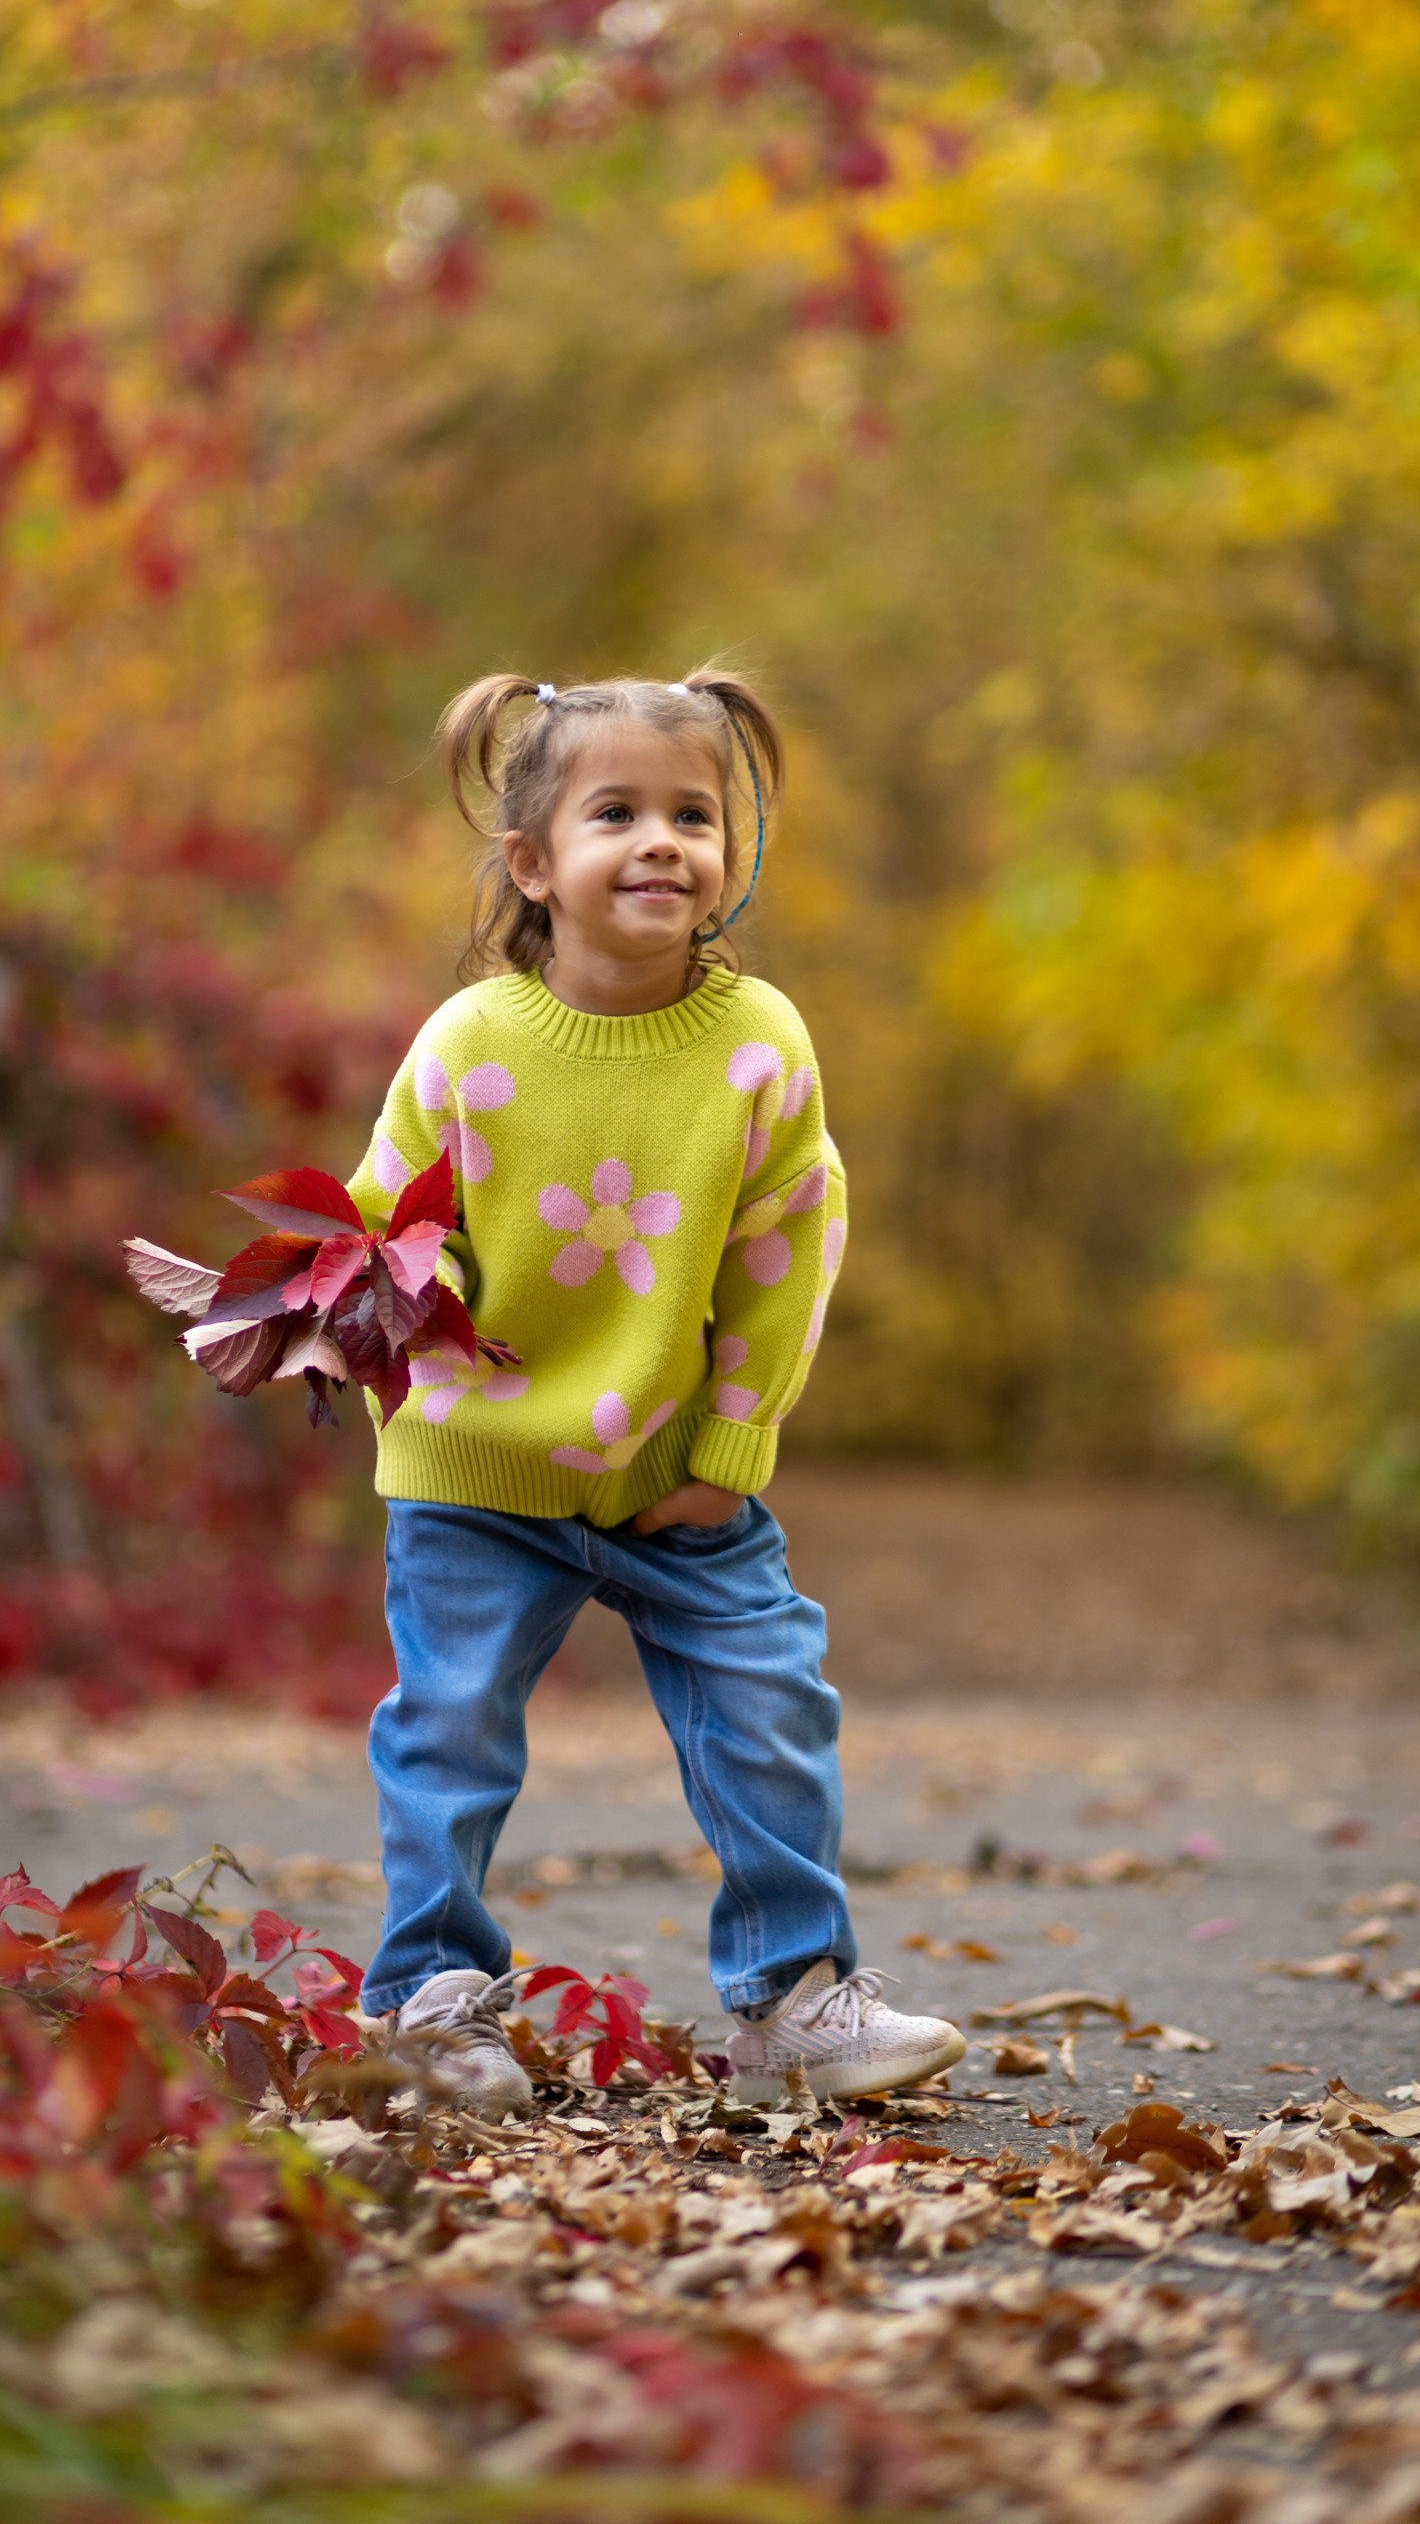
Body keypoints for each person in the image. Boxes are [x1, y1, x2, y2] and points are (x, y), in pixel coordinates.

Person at [348, 669, 965, 2117]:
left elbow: (787, 1247)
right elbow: (390, 1233)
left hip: (674, 1478)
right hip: (476, 1469)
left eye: (694, 815)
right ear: (533, 863)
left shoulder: (759, 1044)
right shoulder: (469, 1045)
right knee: (448, 1726)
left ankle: (793, 2001)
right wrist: (397, 1370)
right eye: (615, 812)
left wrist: (731, 1446)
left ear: (732, 851)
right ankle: (429, 1997)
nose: (661, 842)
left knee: (770, 1700)